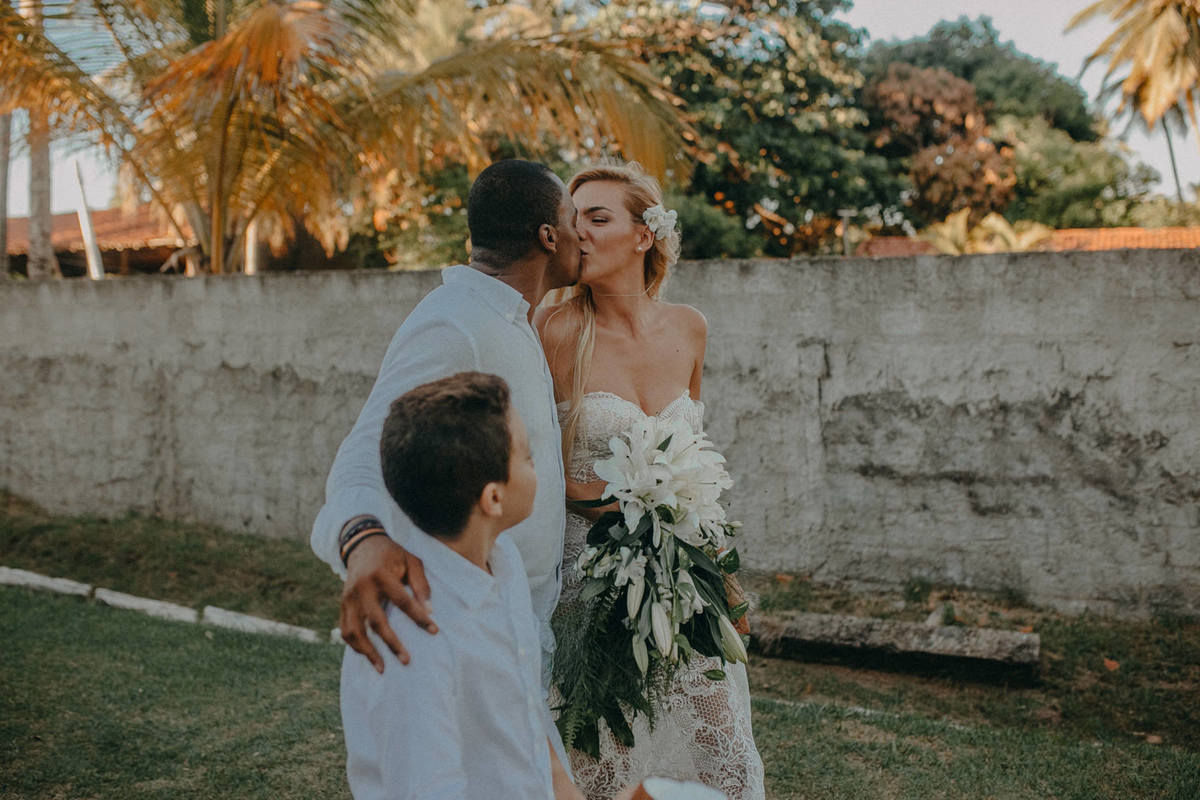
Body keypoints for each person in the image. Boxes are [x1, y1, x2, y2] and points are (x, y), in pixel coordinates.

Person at [535, 162, 765, 800]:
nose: (578, 232)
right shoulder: (553, 332)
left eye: (598, 218)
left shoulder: (690, 327)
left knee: (725, 753)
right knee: (603, 759)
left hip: (685, 583)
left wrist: (719, 571)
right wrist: (623, 516)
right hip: (589, 585)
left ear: (644, 236)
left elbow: (692, 460)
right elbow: (540, 476)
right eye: (573, 217)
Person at [311, 159, 581, 698]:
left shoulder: (511, 317)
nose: (585, 237)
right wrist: (361, 538)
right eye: (575, 218)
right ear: (549, 236)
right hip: (464, 626)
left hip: (519, 617)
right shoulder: (454, 321)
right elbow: (369, 444)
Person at [340, 372, 581, 799]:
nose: (536, 465)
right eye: (527, 457)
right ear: (493, 498)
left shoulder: (502, 561)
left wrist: (563, 787)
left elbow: (523, 714)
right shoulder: (417, 634)